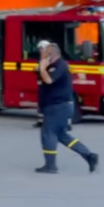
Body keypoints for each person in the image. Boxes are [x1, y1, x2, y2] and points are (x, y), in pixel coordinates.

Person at [34, 41, 98, 174]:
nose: (42, 54)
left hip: (58, 106)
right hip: (55, 106)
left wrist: (42, 68)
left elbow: (48, 80)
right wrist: (41, 66)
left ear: (53, 54)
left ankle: (50, 166)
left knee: (48, 133)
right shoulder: (50, 65)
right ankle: (89, 156)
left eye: (45, 52)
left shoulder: (61, 65)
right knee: (62, 135)